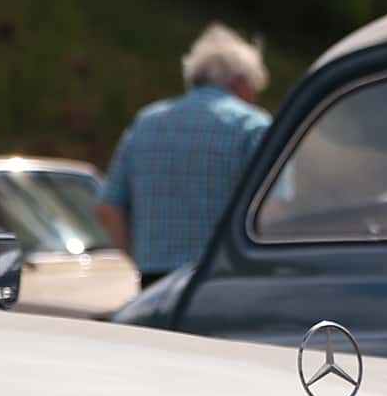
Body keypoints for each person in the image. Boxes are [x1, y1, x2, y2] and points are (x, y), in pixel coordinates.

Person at [98, 22, 271, 283]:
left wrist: (141, 257)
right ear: (240, 84)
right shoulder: (251, 125)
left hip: (154, 280)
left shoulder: (146, 122)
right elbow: (276, 208)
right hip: (226, 278)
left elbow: (108, 208)